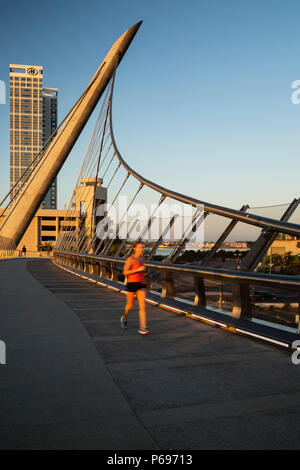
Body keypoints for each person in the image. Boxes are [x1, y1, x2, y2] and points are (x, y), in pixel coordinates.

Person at [121, 241, 149, 335]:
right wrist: (137, 270)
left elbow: (142, 271)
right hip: (132, 283)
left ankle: (142, 328)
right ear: (134, 248)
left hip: (141, 283)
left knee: (142, 305)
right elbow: (125, 272)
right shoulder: (130, 259)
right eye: (140, 247)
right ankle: (124, 317)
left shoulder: (142, 259)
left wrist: (144, 273)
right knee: (130, 304)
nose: (141, 249)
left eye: (142, 247)